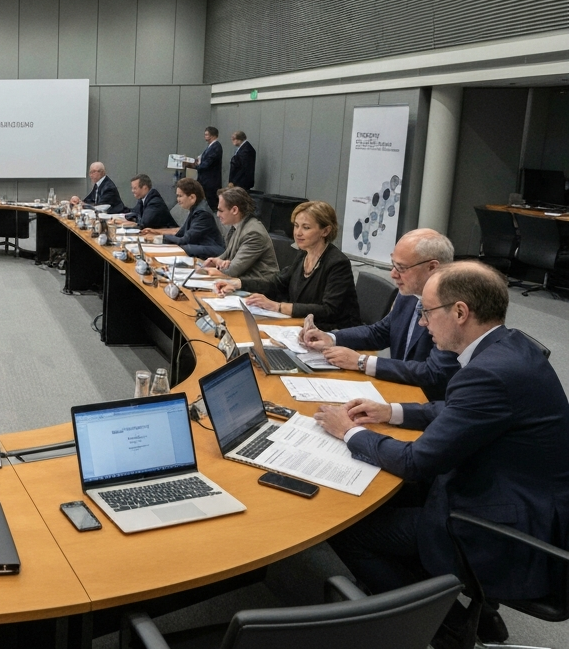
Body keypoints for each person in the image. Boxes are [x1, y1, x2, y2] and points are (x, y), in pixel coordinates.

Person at [312, 262, 569, 618]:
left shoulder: (489, 372)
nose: (421, 322)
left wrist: (348, 431)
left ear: (460, 312)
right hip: (521, 494)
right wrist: (391, 412)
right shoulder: (507, 347)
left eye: (427, 312)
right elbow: (459, 408)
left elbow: (417, 462)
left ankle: (441, 624)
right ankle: (452, 598)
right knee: (390, 499)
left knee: (346, 529)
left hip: (505, 528)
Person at [299, 229, 460, 400]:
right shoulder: (409, 293)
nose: (393, 273)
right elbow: (381, 331)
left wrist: (362, 362)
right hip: (398, 386)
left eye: (401, 268)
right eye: (393, 264)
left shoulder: (452, 309)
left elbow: (432, 372)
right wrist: (331, 338)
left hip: (428, 402)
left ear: (432, 267)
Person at [215, 200, 360, 328]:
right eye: (296, 226)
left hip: (334, 333)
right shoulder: (304, 253)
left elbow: (329, 310)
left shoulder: (337, 263)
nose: (298, 233)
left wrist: (278, 307)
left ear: (325, 231)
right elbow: (277, 283)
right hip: (301, 326)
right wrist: (236, 283)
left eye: (306, 227)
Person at [198, 188, 279, 281]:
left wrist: (209, 270)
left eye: (221, 210)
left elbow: (232, 271)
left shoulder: (253, 233)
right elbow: (227, 256)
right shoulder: (237, 227)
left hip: (258, 289)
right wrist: (214, 261)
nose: (217, 215)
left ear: (234, 210)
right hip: (242, 282)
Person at [142, 178, 225, 258]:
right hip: (200, 249)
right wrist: (156, 233)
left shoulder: (202, 214)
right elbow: (180, 234)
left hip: (212, 253)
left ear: (192, 197)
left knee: (181, 248)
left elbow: (184, 240)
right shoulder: (196, 210)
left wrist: (158, 238)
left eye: (180, 196)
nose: (178, 200)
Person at [184, 126, 223, 210]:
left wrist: (194, 166)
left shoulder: (216, 147)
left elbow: (207, 163)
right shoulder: (210, 147)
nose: (205, 136)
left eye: (206, 134)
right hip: (205, 180)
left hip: (210, 181)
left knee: (211, 203)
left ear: (212, 135)